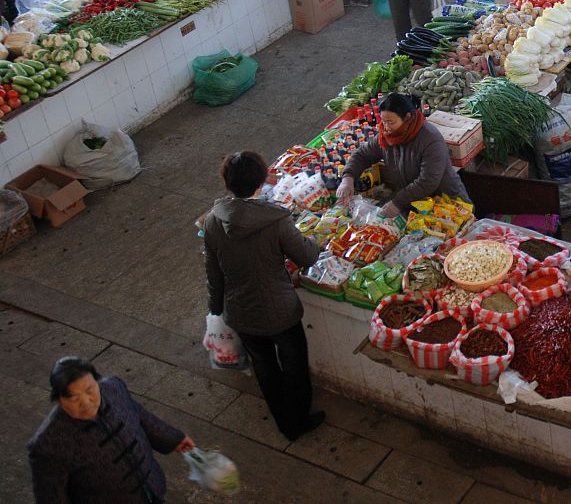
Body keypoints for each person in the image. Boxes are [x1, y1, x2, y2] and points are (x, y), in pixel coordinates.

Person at [204, 152, 324, 441]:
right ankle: (300, 418)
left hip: (241, 312)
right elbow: (306, 255)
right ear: (262, 180)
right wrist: (315, 239)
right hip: (280, 311)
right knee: (294, 364)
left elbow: (213, 270)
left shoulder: (212, 220)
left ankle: (284, 422)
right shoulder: (275, 219)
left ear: (227, 182)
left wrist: (216, 307)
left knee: (265, 367)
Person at [28, 356, 195, 503]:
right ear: (59, 400)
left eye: (90, 390)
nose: (86, 402)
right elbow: (51, 498)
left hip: (150, 488)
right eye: (74, 398)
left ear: (97, 381)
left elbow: (140, 415)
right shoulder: (47, 444)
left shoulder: (114, 388)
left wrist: (173, 438)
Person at [337, 93, 470, 217]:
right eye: (383, 121)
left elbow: (428, 180)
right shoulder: (387, 137)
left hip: (447, 204)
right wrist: (348, 178)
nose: (386, 127)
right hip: (414, 205)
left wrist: (398, 202)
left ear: (407, 117)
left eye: (391, 122)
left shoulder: (430, 139)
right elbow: (362, 155)